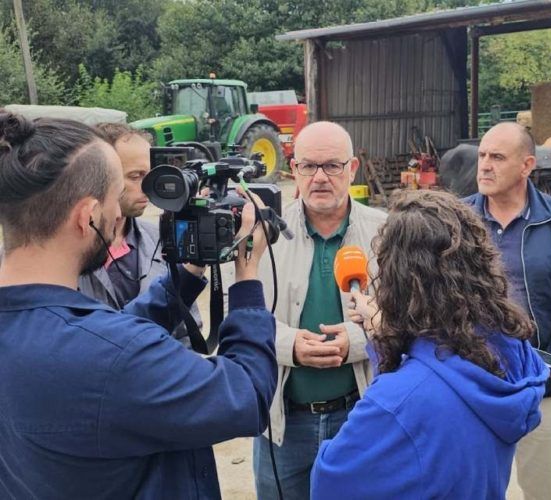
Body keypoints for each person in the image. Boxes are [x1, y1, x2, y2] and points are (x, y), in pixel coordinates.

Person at [0, 112, 278, 497]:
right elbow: (248, 395)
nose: (120, 214)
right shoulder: (114, 356)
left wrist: (189, 271)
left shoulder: (61, 336)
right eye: (116, 197)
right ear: (87, 216)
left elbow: (105, 336)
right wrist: (248, 275)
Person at [312, 189, 548, 498]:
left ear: (398, 278)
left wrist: (392, 354)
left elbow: (330, 482)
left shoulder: (399, 402)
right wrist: (392, 337)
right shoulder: (506, 350)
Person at [462, 122, 551, 500]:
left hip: (542, 390)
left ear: (526, 166)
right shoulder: (458, 221)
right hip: (473, 386)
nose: (485, 166)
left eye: (497, 157)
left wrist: (546, 369)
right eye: (483, 155)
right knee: (472, 489)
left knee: (543, 492)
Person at [253, 121, 387, 500]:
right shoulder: (264, 235)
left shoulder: (386, 233)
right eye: (309, 166)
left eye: (332, 166)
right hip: (284, 423)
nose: (320, 178)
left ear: (353, 169)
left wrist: (357, 341)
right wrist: (290, 346)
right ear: (293, 169)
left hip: (359, 417)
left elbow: (405, 314)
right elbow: (243, 320)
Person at [78, 123, 201, 342]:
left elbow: (186, 332)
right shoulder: (64, 252)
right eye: (135, 176)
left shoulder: (163, 239)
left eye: (150, 174)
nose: (148, 186)